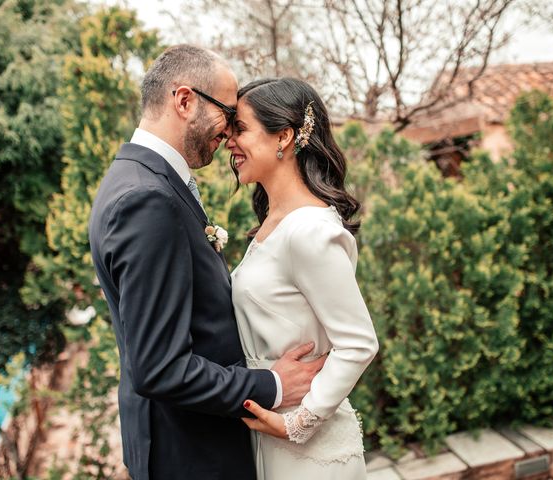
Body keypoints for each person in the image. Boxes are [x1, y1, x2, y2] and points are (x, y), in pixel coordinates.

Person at [88, 46, 325, 480]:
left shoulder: (136, 180)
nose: (231, 131)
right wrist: (270, 386)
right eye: (227, 113)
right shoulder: (148, 198)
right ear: (184, 101)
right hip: (191, 454)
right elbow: (160, 367)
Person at [225, 78, 380, 480]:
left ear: (285, 137)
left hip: (310, 454)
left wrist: (299, 423)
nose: (229, 142)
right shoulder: (273, 226)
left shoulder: (310, 231)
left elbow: (359, 343)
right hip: (269, 435)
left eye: (239, 129)